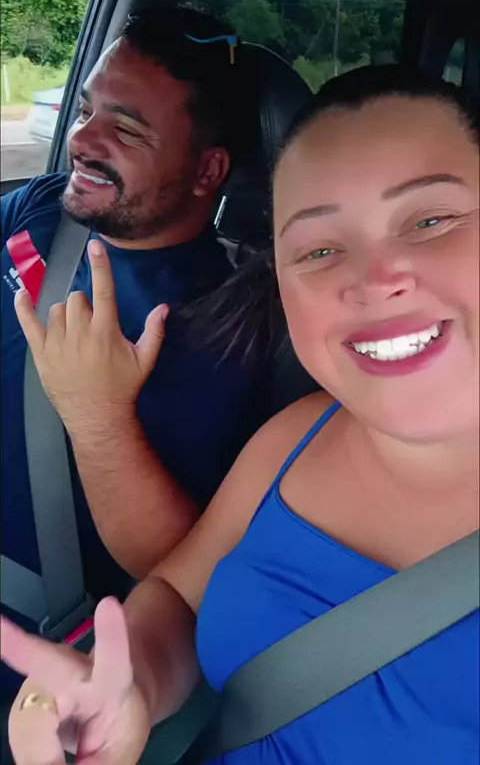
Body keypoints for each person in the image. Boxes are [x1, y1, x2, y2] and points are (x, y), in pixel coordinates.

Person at [2, 64, 479, 765]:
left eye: (431, 221)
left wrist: (98, 419)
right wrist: (125, 687)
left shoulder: (215, 348)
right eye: (319, 249)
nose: (374, 281)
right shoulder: (299, 433)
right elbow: (177, 594)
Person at [0, 6, 269, 700]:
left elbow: (178, 573)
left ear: (207, 171)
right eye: (86, 110)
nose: (82, 140)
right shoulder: (42, 207)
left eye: (125, 130)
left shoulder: (219, 328)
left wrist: (98, 418)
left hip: (27, 634)